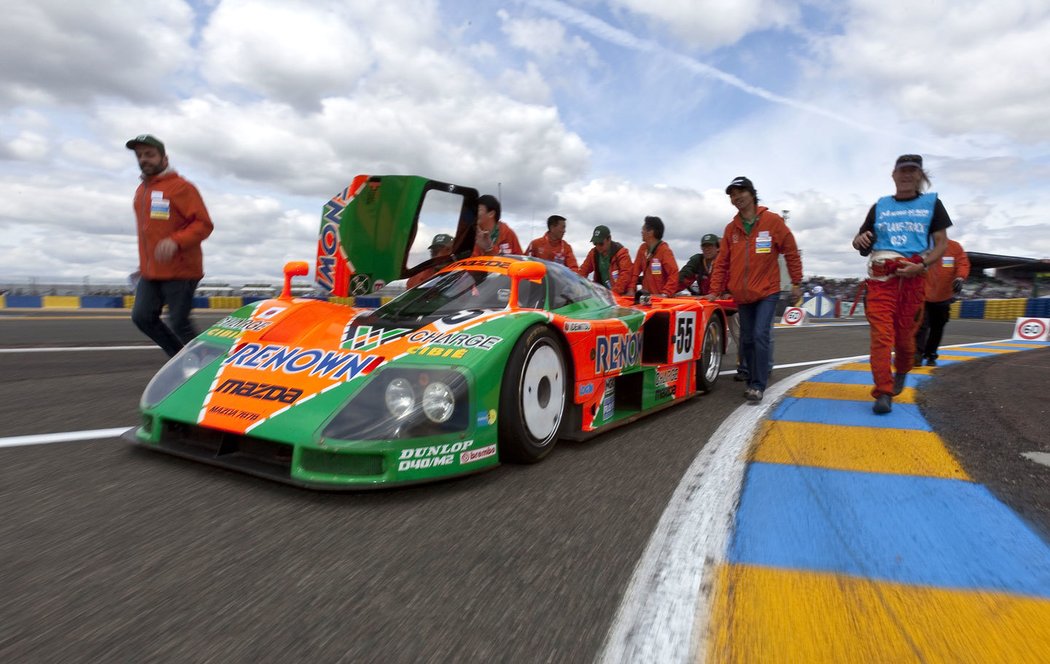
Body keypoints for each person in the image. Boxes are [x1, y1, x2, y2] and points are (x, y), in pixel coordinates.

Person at [853, 154, 951, 414]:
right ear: (893, 175)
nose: (907, 175)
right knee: (882, 338)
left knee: (906, 341)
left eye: (913, 171)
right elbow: (861, 240)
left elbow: (941, 243)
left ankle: (903, 370)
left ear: (920, 176)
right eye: (902, 171)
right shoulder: (880, 206)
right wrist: (859, 240)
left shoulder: (933, 204)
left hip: (914, 279)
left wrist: (923, 265)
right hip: (881, 280)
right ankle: (883, 391)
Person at [706, 177, 802, 403]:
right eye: (732, 194)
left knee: (760, 334)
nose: (736, 197)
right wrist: (715, 290)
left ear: (751, 193)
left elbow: (791, 250)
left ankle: (758, 384)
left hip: (767, 291)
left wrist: (796, 281)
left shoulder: (773, 221)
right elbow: (722, 262)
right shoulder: (731, 229)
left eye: (740, 192)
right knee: (747, 339)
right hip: (742, 294)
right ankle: (751, 380)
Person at [126, 134, 213, 357]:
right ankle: (179, 360)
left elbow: (203, 224)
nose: (144, 159)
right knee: (142, 317)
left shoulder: (181, 188)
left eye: (150, 154)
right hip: (151, 271)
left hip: (181, 270)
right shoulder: (141, 191)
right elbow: (151, 233)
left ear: (164, 158)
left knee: (179, 323)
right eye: (140, 155)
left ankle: (207, 366)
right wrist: (144, 262)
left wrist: (176, 241)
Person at [914, 238, 969, 366]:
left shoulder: (954, 247)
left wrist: (960, 277)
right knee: (921, 325)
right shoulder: (921, 245)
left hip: (943, 297)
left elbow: (963, 263)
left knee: (937, 327)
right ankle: (917, 354)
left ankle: (931, 354)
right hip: (923, 296)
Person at [627, 216, 680, 297]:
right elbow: (635, 271)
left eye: (643, 229)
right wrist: (631, 289)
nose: (641, 232)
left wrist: (665, 294)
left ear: (650, 232)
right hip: (646, 299)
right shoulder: (642, 249)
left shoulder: (665, 251)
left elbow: (674, 274)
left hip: (660, 301)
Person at [578, 225, 634, 296]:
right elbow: (582, 271)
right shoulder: (593, 254)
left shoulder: (622, 253)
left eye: (601, 243)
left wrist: (612, 294)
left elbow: (625, 274)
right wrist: (576, 287)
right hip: (604, 296)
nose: (598, 246)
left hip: (622, 296)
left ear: (609, 239)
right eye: (595, 243)